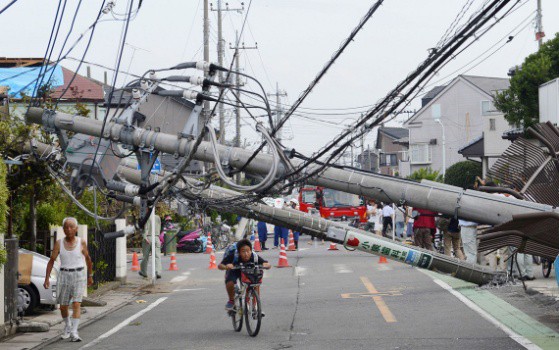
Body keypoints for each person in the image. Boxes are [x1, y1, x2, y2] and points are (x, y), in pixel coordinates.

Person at [44, 217, 93, 342]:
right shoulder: (59, 243)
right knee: (63, 307)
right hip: (64, 275)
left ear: (76, 229)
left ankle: (74, 332)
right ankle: (68, 325)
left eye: (71, 227)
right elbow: (51, 261)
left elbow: (88, 259)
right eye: (66, 227)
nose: (68, 229)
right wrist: (47, 279)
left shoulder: (81, 242)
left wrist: (90, 276)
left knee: (76, 304)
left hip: (79, 275)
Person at [218, 239, 271, 310]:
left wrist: (266, 265)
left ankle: (255, 306)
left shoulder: (254, 256)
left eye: (248, 251)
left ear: (251, 250)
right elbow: (220, 266)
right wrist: (226, 266)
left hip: (247, 271)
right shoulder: (233, 256)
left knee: (255, 283)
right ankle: (231, 301)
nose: (246, 254)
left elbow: (266, 263)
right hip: (235, 270)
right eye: (243, 251)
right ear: (239, 252)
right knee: (230, 282)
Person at [140, 214, 162, 279]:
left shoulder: (146, 217)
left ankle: (144, 272)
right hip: (156, 237)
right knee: (157, 256)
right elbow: (159, 226)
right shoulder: (158, 217)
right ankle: (158, 272)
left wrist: (145, 237)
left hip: (148, 237)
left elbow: (145, 227)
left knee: (145, 256)